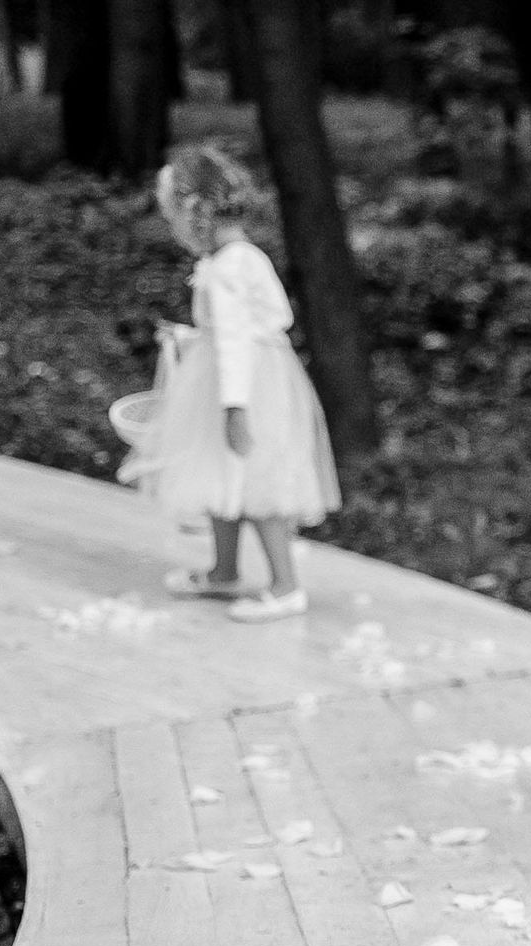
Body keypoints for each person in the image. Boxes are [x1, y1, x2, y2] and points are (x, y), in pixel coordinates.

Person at [117, 145, 340, 622]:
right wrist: (192, 337)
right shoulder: (238, 258)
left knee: (258, 483)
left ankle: (284, 586)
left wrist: (235, 408)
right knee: (218, 478)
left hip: (243, 387)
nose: (173, 228)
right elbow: (250, 324)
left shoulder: (229, 267)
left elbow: (238, 340)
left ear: (195, 213)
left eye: (173, 217)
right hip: (237, 376)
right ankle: (224, 571)